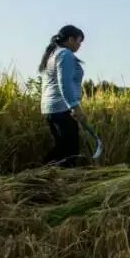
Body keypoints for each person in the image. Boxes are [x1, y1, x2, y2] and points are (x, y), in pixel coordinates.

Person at [39, 24, 87, 167]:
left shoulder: (53, 54)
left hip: (51, 108)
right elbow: (64, 83)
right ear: (70, 39)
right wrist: (74, 106)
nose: (79, 45)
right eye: (79, 41)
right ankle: (38, 177)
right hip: (62, 108)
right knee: (70, 152)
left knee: (62, 148)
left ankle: (40, 178)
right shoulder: (65, 54)